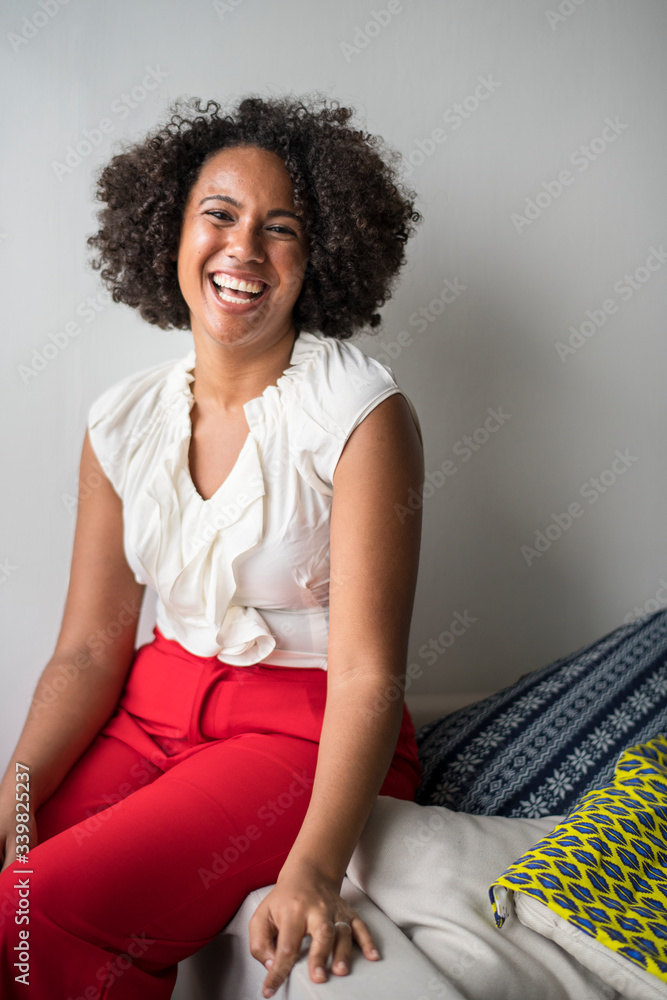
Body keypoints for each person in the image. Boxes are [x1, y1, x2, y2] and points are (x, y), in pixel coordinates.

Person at [0, 94, 424, 999]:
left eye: (281, 228)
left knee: (34, 906)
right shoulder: (120, 421)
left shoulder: (359, 414)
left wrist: (314, 869)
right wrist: (17, 796)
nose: (244, 250)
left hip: (298, 729)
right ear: (170, 233)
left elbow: (368, 677)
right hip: (151, 713)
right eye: (219, 215)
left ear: (319, 258)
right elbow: (86, 647)